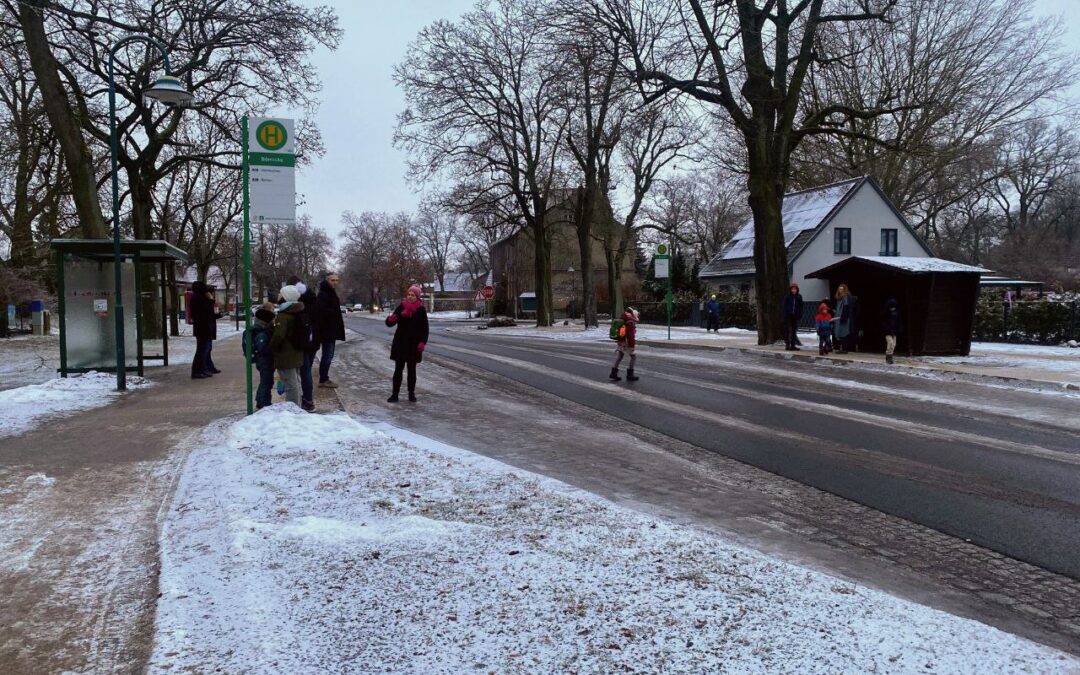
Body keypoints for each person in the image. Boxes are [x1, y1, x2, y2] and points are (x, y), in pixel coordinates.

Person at [385, 284, 429, 402]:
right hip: (400, 343)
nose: (410, 297)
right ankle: (395, 394)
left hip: (413, 346)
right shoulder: (402, 306)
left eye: (413, 295)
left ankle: (411, 393)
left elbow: (425, 329)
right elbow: (390, 322)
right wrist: (391, 319)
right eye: (409, 294)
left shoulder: (421, 310)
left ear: (417, 297)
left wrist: (422, 342)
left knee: (411, 371)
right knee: (398, 370)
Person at [270, 285, 305, 406]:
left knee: (290, 385)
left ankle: (293, 410)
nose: (278, 296)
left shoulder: (284, 315)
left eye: (281, 293)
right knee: (295, 382)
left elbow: (279, 336)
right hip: (296, 353)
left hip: (286, 355)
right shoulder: (297, 312)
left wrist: (271, 347)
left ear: (285, 297)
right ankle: (298, 406)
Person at [290, 275, 319, 412]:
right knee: (306, 372)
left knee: (303, 372)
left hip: (301, 342)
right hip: (313, 340)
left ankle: (306, 400)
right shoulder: (313, 299)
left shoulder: (295, 302)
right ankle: (308, 399)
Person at [315, 272, 346, 389]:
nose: (335, 282)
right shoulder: (324, 293)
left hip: (330, 329)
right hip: (327, 331)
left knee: (328, 355)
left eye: (336, 280)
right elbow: (320, 310)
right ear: (327, 280)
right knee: (327, 355)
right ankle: (323, 379)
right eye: (333, 280)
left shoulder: (329, 292)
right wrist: (334, 313)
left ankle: (324, 378)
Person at [244, 302, 277, 409]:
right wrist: (274, 350)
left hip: (262, 359)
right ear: (266, 321)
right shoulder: (262, 333)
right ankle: (264, 403)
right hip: (264, 360)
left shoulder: (260, 329)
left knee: (266, 381)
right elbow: (263, 349)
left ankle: (260, 400)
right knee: (266, 381)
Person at [189, 280, 217, 379]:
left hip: (203, 328)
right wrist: (210, 299)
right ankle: (197, 371)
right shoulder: (198, 298)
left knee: (204, 350)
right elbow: (206, 310)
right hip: (203, 328)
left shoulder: (197, 297)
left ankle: (202, 369)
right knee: (202, 350)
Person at [609, 307, 639, 382]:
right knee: (633, 357)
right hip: (627, 342)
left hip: (621, 341)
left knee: (620, 355)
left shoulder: (624, 318)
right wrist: (632, 345)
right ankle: (630, 374)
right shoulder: (630, 322)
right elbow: (630, 335)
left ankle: (613, 373)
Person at [832, 284, 855, 353]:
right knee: (840, 333)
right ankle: (842, 348)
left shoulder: (846, 297)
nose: (840, 291)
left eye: (842, 289)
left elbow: (846, 308)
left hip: (844, 318)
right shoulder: (839, 298)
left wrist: (844, 318)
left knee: (843, 333)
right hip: (839, 318)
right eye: (839, 289)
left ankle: (844, 349)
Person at [782, 283, 804, 350]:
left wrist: (800, 314)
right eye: (792, 289)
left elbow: (800, 306)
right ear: (790, 290)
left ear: (797, 289)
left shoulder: (799, 297)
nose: (794, 290)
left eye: (795, 289)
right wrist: (785, 314)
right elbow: (784, 306)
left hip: (795, 316)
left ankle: (793, 345)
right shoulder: (787, 296)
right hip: (788, 315)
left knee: (794, 330)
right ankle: (787, 344)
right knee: (788, 330)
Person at [881, 298, 902, 364]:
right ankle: (888, 356)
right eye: (891, 307)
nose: (892, 308)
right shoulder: (885, 313)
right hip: (887, 331)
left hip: (894, 331)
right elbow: (883, 322)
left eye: (893, 307)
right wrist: (886, 327)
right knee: (890, 343)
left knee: (894, 344)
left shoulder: (897, 313)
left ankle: (890, 355)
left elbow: (899, 322)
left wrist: (899, 328)